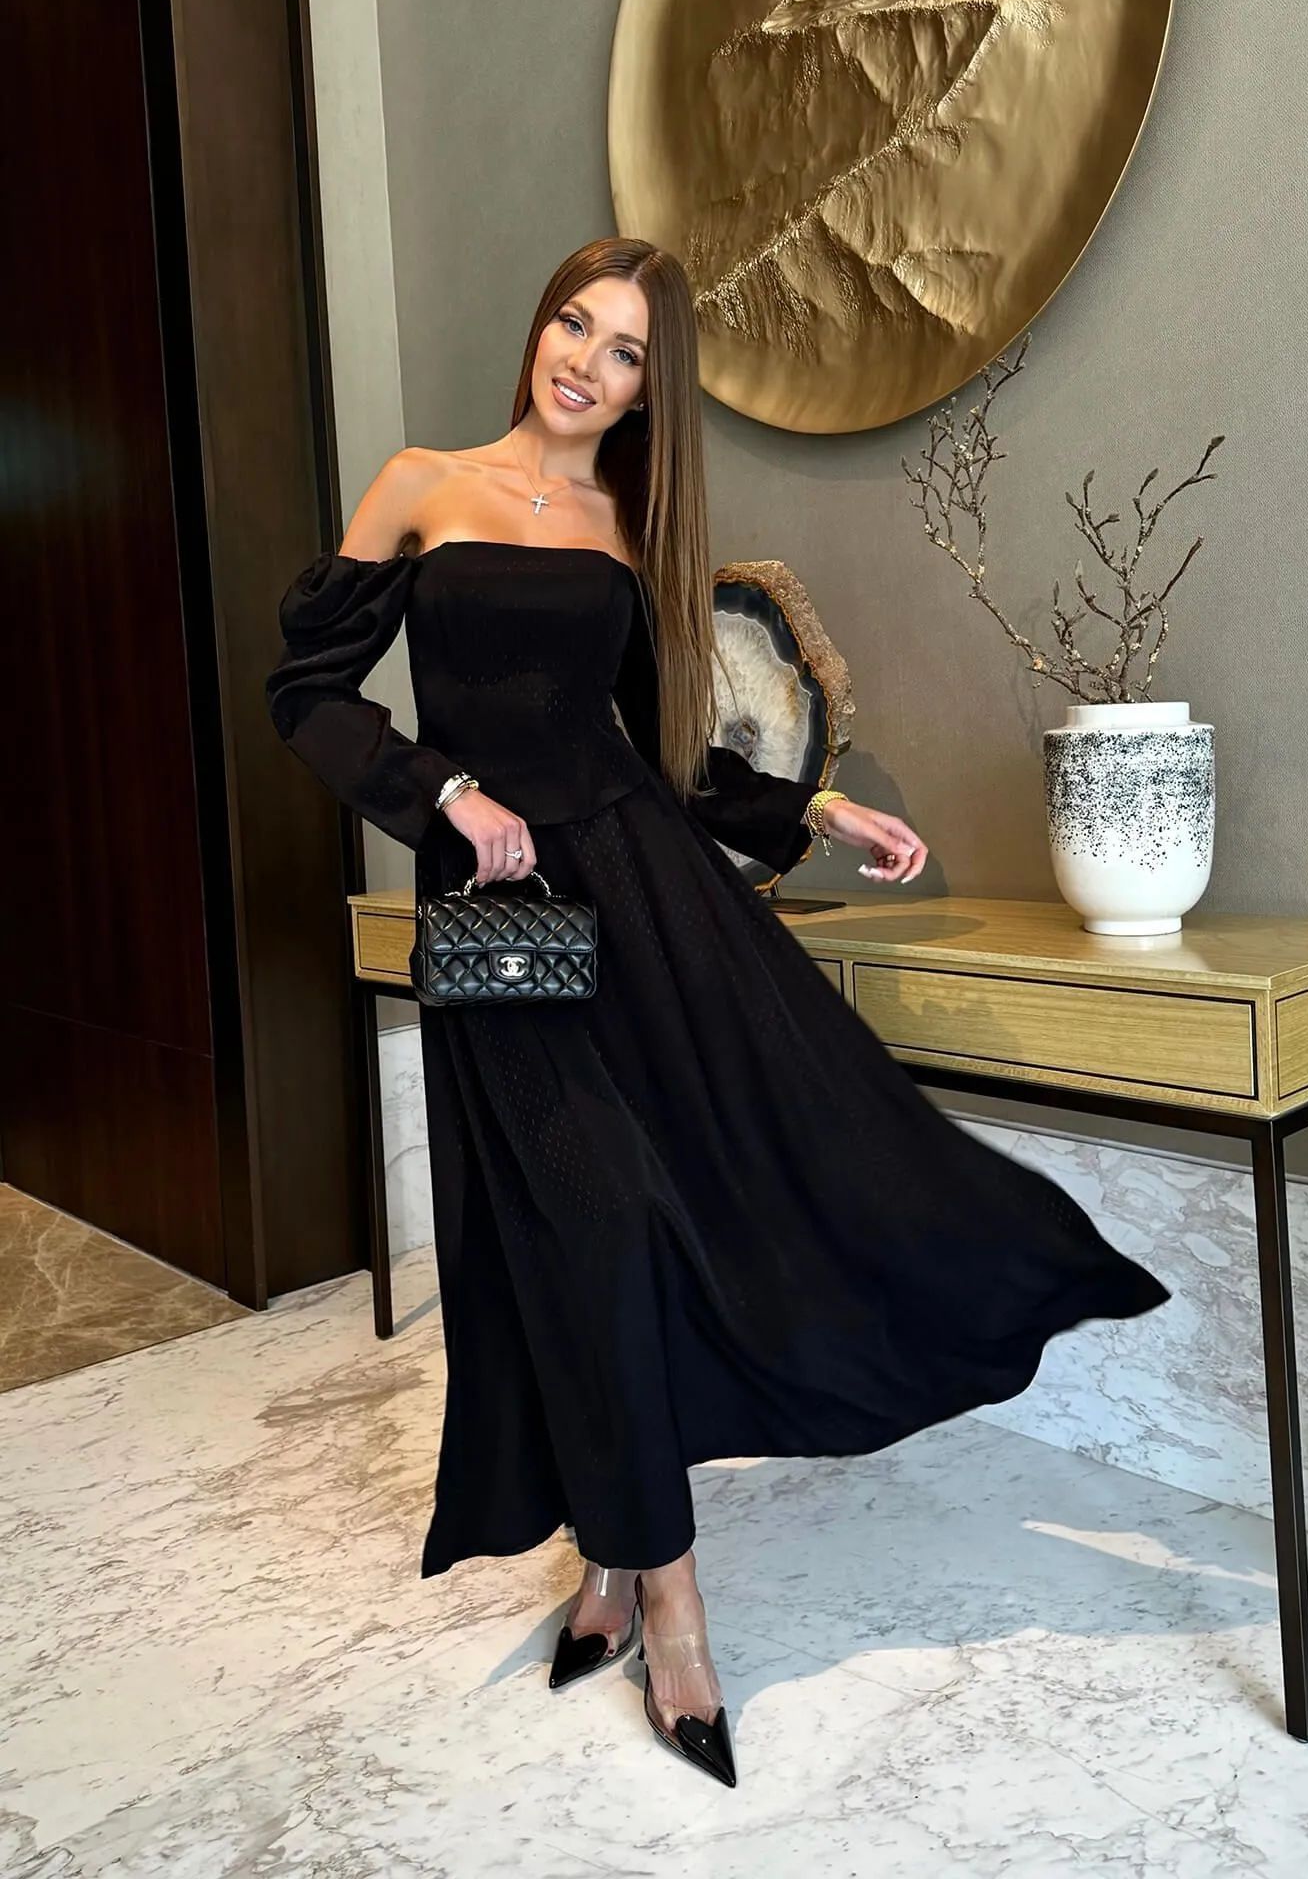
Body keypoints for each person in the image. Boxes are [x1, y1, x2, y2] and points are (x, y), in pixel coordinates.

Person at [265, 237, 1168, 1788]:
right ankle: (670, 1594)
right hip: (500, 908)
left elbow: (662, 750)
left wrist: (814, 807)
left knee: (759, 1163)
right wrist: (443, 791)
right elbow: (307, 691)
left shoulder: (631, 528)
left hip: (646, 893)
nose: (587, 362)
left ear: (646, 391)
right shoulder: (421, 484)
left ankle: (626, 1568)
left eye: (625, 351)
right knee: (591, 1217)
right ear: (541, 326)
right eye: (576, 324)